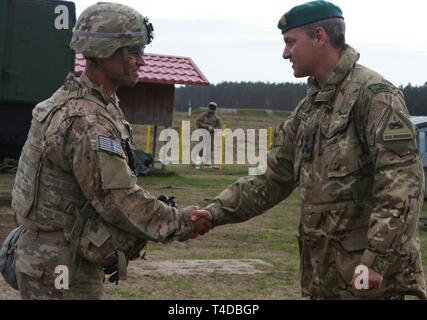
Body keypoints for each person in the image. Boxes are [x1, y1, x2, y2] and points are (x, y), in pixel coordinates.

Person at [203, 0, 426, 300]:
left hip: (374, 284)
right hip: (325, 282)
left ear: (319, 37)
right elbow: (271, 178)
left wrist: (376, 259)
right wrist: (211, 213)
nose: (284, 53)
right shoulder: (308, 110)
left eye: (290, 42)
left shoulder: (374, 96)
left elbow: (402, 185)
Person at [11, 2, 212, 300]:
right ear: (105, 51)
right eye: (133, 51)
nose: (141, 61)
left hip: (56, 259)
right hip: (62, 268)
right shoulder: (87, 120)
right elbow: (118, 200)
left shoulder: (83, 100)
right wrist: (180, 221)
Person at [195, 102, 222, 167]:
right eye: (210, 108)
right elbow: (198, 122)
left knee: (209, 149)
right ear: (208, 108)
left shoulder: (217, 118)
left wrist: (213, 129)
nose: (211, 110)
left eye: (213, 108)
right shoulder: (203, 115)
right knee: (201, 148)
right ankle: (198, 163)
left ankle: (206, 163)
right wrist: (206, 126)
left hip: (211, 135)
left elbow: (219, 127)